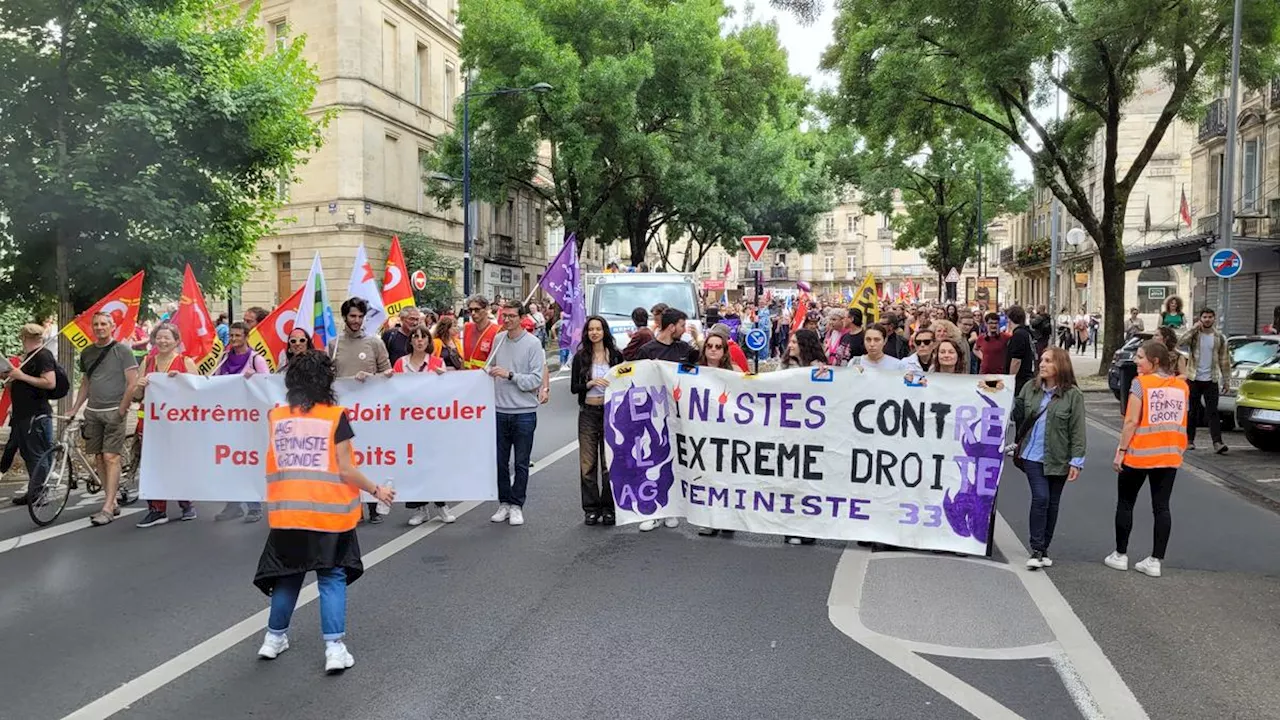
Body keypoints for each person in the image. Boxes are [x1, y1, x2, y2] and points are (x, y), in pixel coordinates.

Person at [253, 350, 395, 673]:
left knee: (287, 578)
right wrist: (377, 491)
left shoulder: (277, 417)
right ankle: (334, 648)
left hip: (287, 514)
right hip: (330, 515)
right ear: (326, 381)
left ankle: (273, 640)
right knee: (331, 578)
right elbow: (346, 470)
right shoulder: (335, 417)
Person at [1105, 340, 1189, 579]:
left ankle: (1120, 555)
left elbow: (1131, 421)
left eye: (1140, 357)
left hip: (1139, 454)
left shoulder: (1140, 384)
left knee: (1126, 503)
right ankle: (1155, 561)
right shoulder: (1181, 387)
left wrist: (1121, 451)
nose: (1135, 361)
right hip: (1170, 455)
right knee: (1161, 507)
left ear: (1154, 362)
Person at [1012, 347, 1086, 569]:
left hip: (1059, 457)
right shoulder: (1030, 388)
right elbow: (1018, 413)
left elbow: (1077, 430)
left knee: (1053, 503)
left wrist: (1077, 460)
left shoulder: (1073, 395)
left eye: (1048, 361)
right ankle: (1036, 547)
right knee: (1041, 498)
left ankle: (1044, 548)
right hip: (1032, 455)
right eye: (1041, 360)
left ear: (1060, 366)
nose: (1042, 364)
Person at [69, 312, 140, 526]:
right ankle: (112, 499)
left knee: (111, 457)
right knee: (99, 457)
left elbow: (132, 383)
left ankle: (108, 506)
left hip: (114, 411)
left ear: (112, 326)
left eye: (104, 324)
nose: (100, 327)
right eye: (96, 324)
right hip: (93, 411)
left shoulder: (123, 351)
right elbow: (86, 382)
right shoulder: (88, 352)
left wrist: (122, 408)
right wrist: (75, 408)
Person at [330, 297, 393, 524]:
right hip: (343, 412)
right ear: (345, 317)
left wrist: (372, 377)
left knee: (371, 456)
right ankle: (353, 506)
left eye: (360, 316)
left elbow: (389, 375)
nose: (356, 320)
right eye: (352, 316)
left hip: (371, 413)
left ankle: (374, 505)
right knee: (348, 459)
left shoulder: (375, 343)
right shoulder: (334, 344)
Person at [133, 324, 199, 527]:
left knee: (178, 463)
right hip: (151, 425)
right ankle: (156, 509)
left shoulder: (185, 362)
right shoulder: (148, 361)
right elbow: (137, 396)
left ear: (176, 340)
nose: (162, 341)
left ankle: (186, 503)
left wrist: (181, 381)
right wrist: (140, 385)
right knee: (153, 464)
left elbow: (200, 394)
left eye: (167, 338)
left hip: (178, 426)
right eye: (159, 337)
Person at [485, 303, 545, 527]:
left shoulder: (533, 343)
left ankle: (517, 504)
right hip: (499, 410)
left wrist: (510, 375)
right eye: (504, 316)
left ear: (521, 318)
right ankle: (504, 502)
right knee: (500, 462)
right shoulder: (499, 339)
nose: (507, 320)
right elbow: (487, 369)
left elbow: (535, 380)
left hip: (524, 412)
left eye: (511, 316)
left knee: (520, 462)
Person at [212, 322, 273, 522]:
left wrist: (255, 377)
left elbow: (268, 385)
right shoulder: (223, 359)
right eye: (231, 335)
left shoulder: (256, 360)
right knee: (230, 461)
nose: (234, 339)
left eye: (238, 335)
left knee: (247, 461)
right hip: (229, 418)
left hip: (250, 419)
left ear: (246, 337)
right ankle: (233, 504)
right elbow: (214, 382)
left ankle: (254, 505)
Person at [570, 316, 623, 527]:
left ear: (604, 331)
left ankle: (609, 508)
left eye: (598, 329)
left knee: (609, 463)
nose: (594, 333)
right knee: (587, 464)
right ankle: (591, 509)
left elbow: (626, 381)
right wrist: (589, 383)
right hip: (588, 412)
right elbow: (574, 387)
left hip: (611, 412)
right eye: (591, 329)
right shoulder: (581, 357)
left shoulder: (617, 356)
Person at [781, 328, 827, 546]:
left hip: (811, 434)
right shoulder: (784, 366)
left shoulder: (818, 368)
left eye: (795, 342)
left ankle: (808, 526)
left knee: (808, 483)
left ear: (806, 345)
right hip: (788, 431)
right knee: (790, 482)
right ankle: (790, 526)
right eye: (790, 341)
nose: (790, 345)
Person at [2, 324, 57, 507]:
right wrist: (10, 379)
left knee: (37, 455)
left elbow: (49, 383)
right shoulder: (29, 357)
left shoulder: (43, 355)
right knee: (28, 454)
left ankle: (40, 493)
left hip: (36, 414)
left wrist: (21, 376)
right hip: (22, 414)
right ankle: (34, 490)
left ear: (24, 337)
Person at [1178, 308, 1231, 454]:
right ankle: (1189, 440)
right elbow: (1180, 342)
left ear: (1214, 318)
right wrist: (1193, 328)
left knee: (1212, 411)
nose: (1207, 319)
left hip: (1211, 379)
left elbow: (1224, 360)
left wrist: (1226, 380)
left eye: (1210, 317)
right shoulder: (1195, 335)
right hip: (1194, 378)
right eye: (1204, 317)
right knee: (1192, 411)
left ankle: (1217, 442)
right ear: (1200, 318)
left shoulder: (1219, 337)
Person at [461, 295, 501, 370]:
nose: (473, 313)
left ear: (486, 309)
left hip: (486, 378)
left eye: (477, 310)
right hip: (467, 376)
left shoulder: (497, 331)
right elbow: (464, 358)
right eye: (470, 310)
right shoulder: (467, 328)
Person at [1005, 306, 1038, 395]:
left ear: (1010, 319)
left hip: (1020, 379)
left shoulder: (1018, 335)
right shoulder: (1026, 333)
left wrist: (1010, 380)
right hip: (1028, 376)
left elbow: (1016, 360)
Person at [974, 312, 1009, 376]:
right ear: (986, 324)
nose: (993, 325)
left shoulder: (1005, 337)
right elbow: (975, 349)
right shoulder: (981, 337)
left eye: (996, 323)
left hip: (1000, 374)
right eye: (991, 323)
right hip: (984, 373)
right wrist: (983, 357)